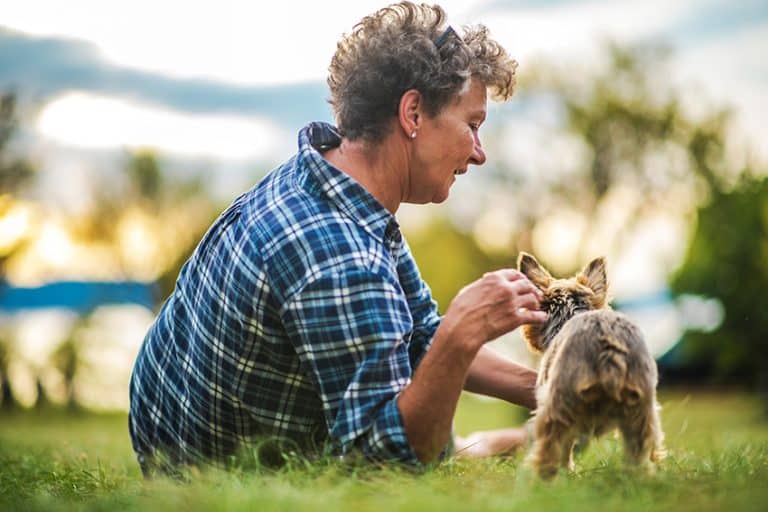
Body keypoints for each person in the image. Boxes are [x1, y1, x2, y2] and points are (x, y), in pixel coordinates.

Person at [128, 1, 547, 475]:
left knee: (440, 414)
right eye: (472, 125)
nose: (478, 153)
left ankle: (485, 443)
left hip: (166, 443)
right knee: (432, 447)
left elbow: (420, 334)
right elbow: (389, 461)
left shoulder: (328, 181)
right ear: (412, 113)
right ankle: (482, 445)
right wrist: (461, 333)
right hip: (207, 480)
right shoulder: (339, 255)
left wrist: (552, 390)